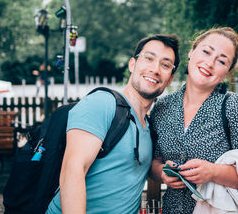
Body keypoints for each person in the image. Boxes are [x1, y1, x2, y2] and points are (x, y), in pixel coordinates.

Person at [46, 34, 180, 214]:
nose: (155, 69)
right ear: (132, 64)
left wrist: (163, 172)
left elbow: (133, 169)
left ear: (170, 79)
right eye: (149, 58)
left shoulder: (149, 127)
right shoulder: (102, 103)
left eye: (165, 65)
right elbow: (73, 170)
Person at [149, 27, 238, 214]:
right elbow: (154, 160)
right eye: (206, 52)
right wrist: (162, 172)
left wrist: (212, 172)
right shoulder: (162, 107)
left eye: (221, 61)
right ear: (191, 51)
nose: (210, 63)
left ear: (227, 71)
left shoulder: (235, 107)